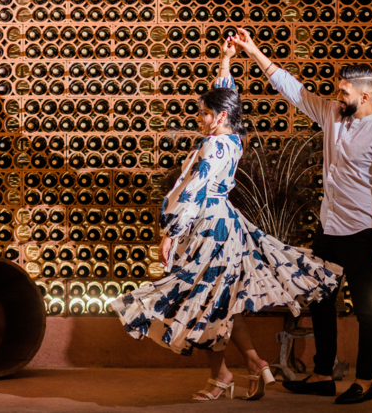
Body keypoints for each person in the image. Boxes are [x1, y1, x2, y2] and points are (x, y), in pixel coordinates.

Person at [112, 37, 342, 402]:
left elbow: (193, 191)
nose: (199, 119)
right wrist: (225, 60)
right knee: (222, 300)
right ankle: (253, 364)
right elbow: (227, 95)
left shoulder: (212, 145)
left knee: (203, 302)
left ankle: (223, 375)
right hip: (227, 226)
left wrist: (170, 232)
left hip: (207, 230)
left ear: (218, 117)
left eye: (204, 114)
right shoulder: (233, 137)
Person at [232, 28, 372, 405]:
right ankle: (324, 374)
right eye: (337, 90)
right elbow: (292, 89)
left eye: (343, 92)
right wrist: (253, 49)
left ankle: (364, 380)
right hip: (329, 230)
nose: (336, 95)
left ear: (364, 95)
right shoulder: (331, 113)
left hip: (365, 234)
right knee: (321, 301)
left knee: (366, 311)